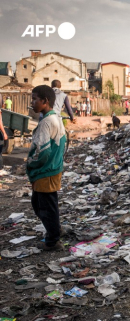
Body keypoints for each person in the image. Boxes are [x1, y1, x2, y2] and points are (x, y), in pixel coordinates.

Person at [27, 85, 66, 251]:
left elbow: (42, 151)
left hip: (45, 171)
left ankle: (53, 240)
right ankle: (55, 230)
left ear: (45, 101)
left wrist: (31, 164)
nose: (32, 102)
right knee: (42, 203)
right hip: (53, 169)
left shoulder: (46, 123)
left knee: (46, 207)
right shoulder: (56, 118)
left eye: (35, 99)